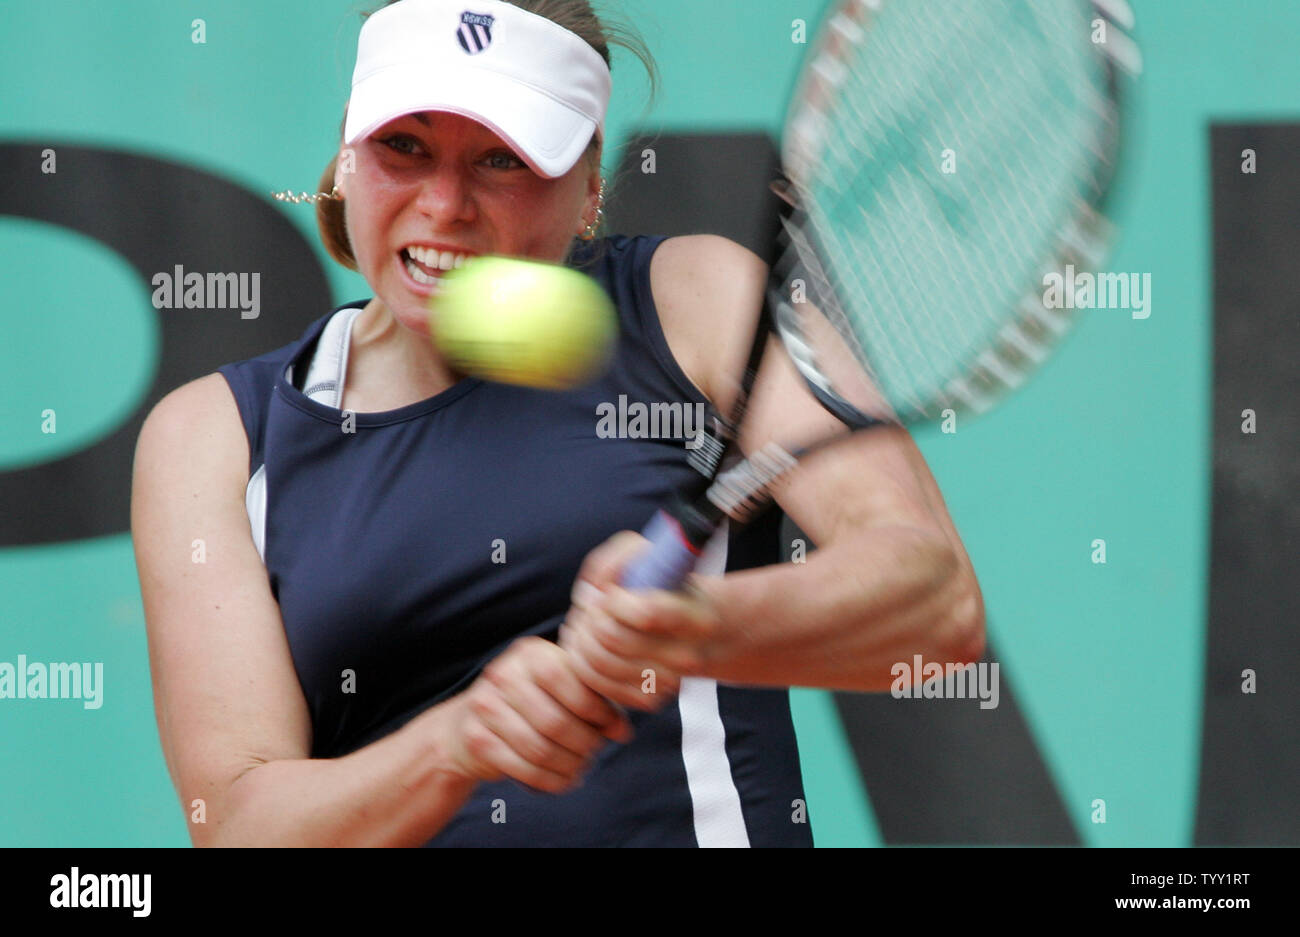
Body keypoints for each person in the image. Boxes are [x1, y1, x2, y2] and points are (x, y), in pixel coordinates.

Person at [131, 0, 984, 847]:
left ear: (589, 183)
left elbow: (933, 595)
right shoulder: (212, 436)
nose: (445, 204)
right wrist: (453, 745)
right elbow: (238, 824)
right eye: (404, 146)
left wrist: (701, 627)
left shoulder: (693, 301)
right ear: (348, 152)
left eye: (503, 158)